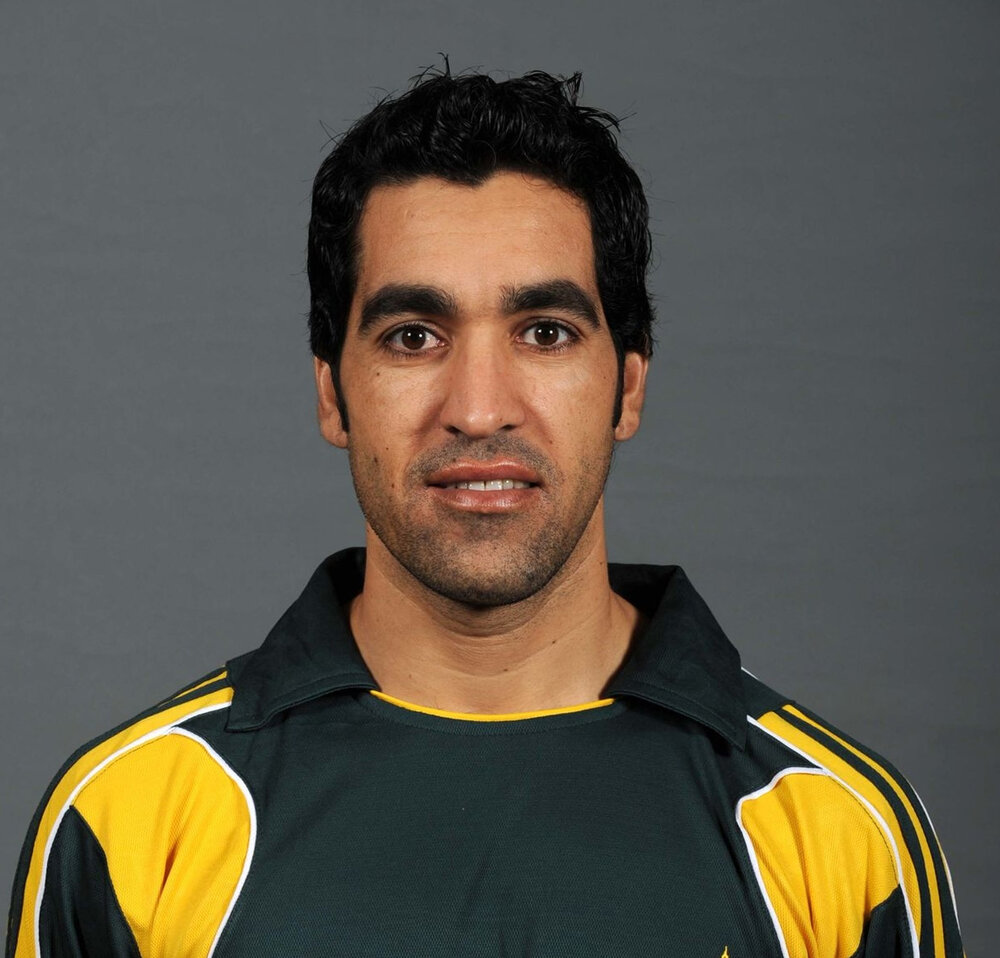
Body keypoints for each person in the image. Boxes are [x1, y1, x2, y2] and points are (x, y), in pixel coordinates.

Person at [6, 68, 963, 958]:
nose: (478, 407)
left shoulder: (840, 831)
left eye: (544, 332)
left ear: (627, 386)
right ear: (333, 394)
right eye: (413, 336)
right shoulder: (129, 820)